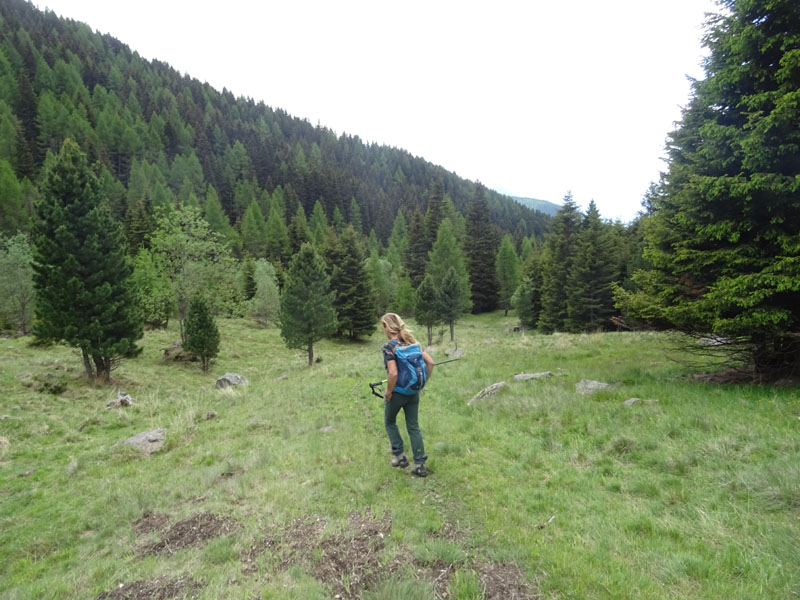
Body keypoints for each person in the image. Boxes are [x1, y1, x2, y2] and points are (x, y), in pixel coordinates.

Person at [380, 313, 434, 477]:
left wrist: (388, 392)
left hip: (398, 393)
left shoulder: (389, 347)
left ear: (387, 327)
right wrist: (421, 384)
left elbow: (393, 373)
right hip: (413, 392)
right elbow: (430, 363)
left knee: (390, 421)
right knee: (413, 426)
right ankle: (419, 464)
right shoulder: (413, 343)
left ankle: (400, 456)